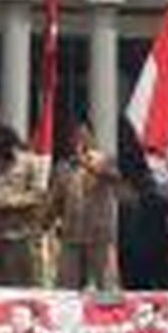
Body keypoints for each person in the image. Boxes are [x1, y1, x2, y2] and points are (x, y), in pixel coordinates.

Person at [49, 122, 121, 290]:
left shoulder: (106, 160)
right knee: (66, 285)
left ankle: (108, 313)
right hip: (72, 234)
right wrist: (47, 219)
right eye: (74, 137)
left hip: (99, 235)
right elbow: (56, 199)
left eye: (82, 135)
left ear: (91, 137)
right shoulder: (63, 166)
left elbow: (116, 179)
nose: (78, 140)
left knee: (105, 284)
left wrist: (88, 165)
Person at [0, 120, 44, 286]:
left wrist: (10, 203)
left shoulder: (29, 162)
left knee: (21, 284)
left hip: (20, 235)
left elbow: (38, 196)